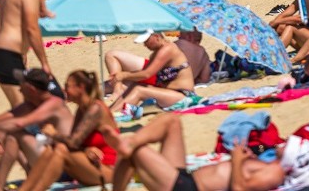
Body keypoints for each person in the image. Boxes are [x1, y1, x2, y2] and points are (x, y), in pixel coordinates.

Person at [106, 113, 286, 191]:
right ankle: (130, 143)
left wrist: (238, 159)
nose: (283, 144)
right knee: (172, 121)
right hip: (187, 178)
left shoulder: (277, 171)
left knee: (137, 153)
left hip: (186, 188)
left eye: (288, 145)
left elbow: (239, 188)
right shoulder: (268, 161)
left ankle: (130, 145)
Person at [19, 70, 119, 191]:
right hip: (93, 165)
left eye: (67, 86)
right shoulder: (81, 110)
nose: (64, 90)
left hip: (110, 170)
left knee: (61, 149)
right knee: (52, 150)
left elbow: (72, 142)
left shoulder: (95, 109)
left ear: (80, 88)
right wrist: (85, 149)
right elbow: (73, 143)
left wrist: (54, 133)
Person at [0, 69, 73, 189]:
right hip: (49, 161)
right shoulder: (31, 104)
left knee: (13, 134)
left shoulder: (54, 103)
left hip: (66, 168)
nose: (19, 90)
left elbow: (19, 124)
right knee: (5, 135)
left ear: (31, 89)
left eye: (21, 86)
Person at [105, 30, 196, 117]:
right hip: (170, 93)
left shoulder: (168, 49)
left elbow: (147, 74)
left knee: (139, 90)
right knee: (136, 85)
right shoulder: (157, 53)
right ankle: (110, 112)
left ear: (156, 37)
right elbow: (144, 74)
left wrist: (123, 75)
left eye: (147, 41)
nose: (145, 45)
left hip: (183, 96)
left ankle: (111, 115)